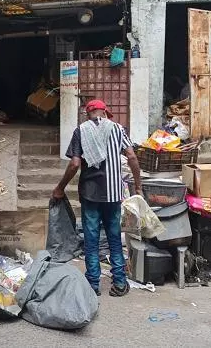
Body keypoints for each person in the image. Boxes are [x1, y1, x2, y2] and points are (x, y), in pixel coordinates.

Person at [52, 99, 142, 297]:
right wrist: (138, 186)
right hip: (113, 194)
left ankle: (93, 284)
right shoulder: (118, 129)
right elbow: (132, 157)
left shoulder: (81, 131)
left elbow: (75, 164)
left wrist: (60, 187)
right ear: (105, 112)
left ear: (87, 113)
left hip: (90, 194)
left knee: (91, 239)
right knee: (114, 238)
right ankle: (119, 282)